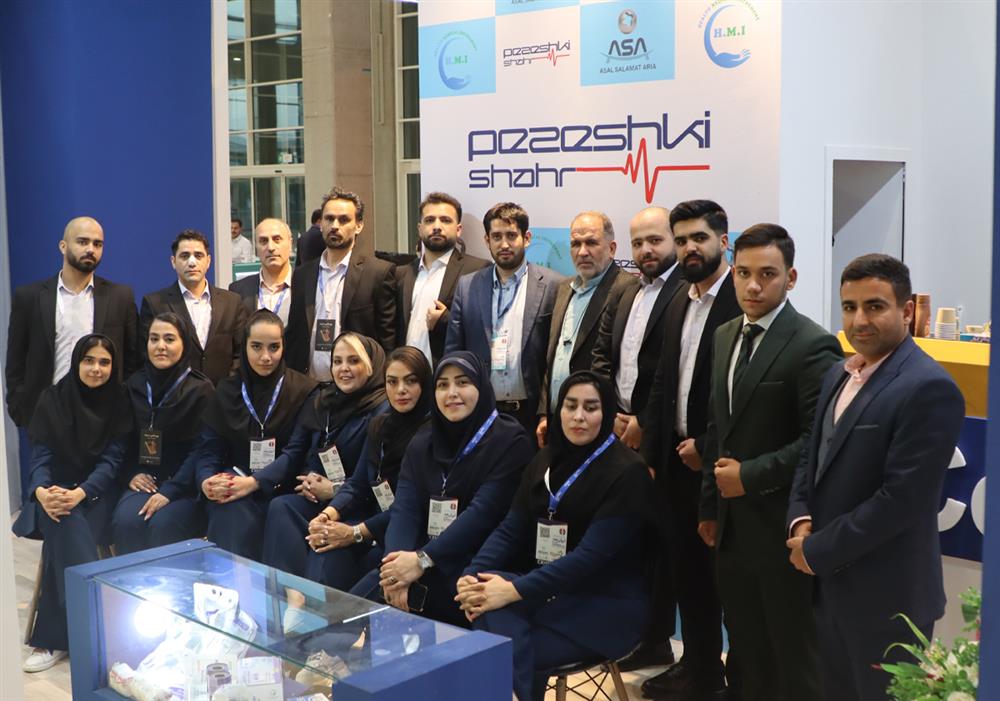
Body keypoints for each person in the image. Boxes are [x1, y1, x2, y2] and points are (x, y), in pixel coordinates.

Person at [786, 254, 965, 701]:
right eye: (849, 307)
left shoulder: (929, 386)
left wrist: (816, 550)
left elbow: (902, 501)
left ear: (907, 310)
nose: (859, 320)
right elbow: (812, 456)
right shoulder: (838, 372)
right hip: (830, 589)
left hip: (889, 601)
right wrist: (799, 519)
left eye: (875, 306)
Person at [697, 225, 842, 701]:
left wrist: (750, 476)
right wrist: (709, 506)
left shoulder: (812, 343)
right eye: (743, 273)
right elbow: (718, 427)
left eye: (767, 274)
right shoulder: (724, 335)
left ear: (790, 278)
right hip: (731, 528)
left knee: (793, 657)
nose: (753, 286)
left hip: (783, 526)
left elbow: (818, 440)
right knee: (746, 651)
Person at [457, 371, 654, 701]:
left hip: (604, 605)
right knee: (486, 599)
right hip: (546, 590)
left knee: (499, 643)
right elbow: (510, 529)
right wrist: (471, 576)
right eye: (570, 405)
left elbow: (589, 558)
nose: (578, 417)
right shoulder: (545, 459)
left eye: (591, 407)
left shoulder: (628, 472)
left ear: (607, 413)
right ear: (558, 410)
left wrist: (513, 591)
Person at [640, 200, 742, 700]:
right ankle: (699, 669)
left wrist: (706, 446)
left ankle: (737, 677)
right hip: (675, 464)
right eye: (681, 240)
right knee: (686, 574)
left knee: (725, 580)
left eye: (699, 238)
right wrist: (653, 456)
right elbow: (664, 380)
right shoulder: (681, 296)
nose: (689, 249)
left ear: (723, 240)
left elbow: (740, 396)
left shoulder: (741, 302)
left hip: (719, 465)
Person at [355, 351, 534, 626]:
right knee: (359, 603)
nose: (452, 393)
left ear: (481, 386)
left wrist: (421, 561)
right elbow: (405, 510)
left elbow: (482, 514)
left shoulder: (510, 441)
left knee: (398, 606)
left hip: (476, 563)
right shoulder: (423, 441)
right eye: (442, 385)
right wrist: (395, 573)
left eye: (463, 382)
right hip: (423, 558)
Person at [591, 206, 681, 672]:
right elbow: (602, 356)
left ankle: (658, 639)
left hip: (658, 440)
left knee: (662, 548)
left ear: (674, 241)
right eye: (638, 242)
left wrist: (643, 422)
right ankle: (637, 635)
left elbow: (675, 369)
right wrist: (611, 415)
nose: (646, 250)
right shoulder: (626, 290)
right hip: (616, 431)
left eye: (655, 240)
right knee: (630, 542)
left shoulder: (685, 293)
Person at [12, 334, 132, 672]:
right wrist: (41, 492)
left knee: (65, 528)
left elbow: (112, 462)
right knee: (63, 519)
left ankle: (53, 639)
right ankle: (104, 630)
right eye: (88, 360)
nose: (96, 368)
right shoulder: (53, 399)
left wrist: (81, 493)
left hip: (98, 495)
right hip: (53, 494)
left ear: (113, 367)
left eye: (104, 362)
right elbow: (41, 458)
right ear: (77, 362)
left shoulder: (119, 402)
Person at [5, 217, 138, 493]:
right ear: (63, 246)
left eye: (98, 244)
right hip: (48, 416)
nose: (91, 249)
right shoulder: (30, 296)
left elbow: (133, 359)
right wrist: (21, 410)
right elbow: (15, 360)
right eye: (83, 241)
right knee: (48, 497)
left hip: (103, 418)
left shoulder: (120, 297)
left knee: (96, 498)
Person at [260, 332, 389, 578]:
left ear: (371, 366)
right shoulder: (323, 400)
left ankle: (307, 596)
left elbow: (368, 481)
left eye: (354, 361)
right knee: (282, 506)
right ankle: (286, 591)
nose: (344, 369)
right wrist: (308, 479)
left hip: (358, 507)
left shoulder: (382, 410)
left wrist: (335, 490)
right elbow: (300, 450)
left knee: (325, 539)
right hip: (320, 499)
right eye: (337, 361)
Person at [304, 346, 432, 591]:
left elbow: (410, 509)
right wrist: (328, 515)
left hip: (408, 538)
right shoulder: (380, 425)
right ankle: (304, 606)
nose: (401, 390)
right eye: (392, 382)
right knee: (323, 544)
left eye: (411, 381)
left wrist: (355, 532)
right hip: (373, 522)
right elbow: (358, 483)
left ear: (425, 384)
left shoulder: (432, 434)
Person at [194, 310, 316, 559]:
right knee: (226, 508)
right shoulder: (227, 390)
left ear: (284, 346)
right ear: (244, 346)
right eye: (256, 347)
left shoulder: (304, 390)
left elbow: (295, 452)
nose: (265, 357)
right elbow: (210, 449)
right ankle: (231, 582)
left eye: (274, 347)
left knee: (279, 514)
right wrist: (206, 481)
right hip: (237, 481)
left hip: (284, 486)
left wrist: (254, 483)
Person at [444, 203, 562, 433]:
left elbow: (556, 359)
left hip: (532, 415)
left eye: (511, 235)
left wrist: (545, 412)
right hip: (480, 412)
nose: (504, 244)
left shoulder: (553, 285)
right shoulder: (467, 287)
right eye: (497, 237)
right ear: (487, 240)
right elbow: (454, 353)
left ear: (526, 238)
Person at [110, 312, 215, 554]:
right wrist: (131, 474)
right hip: (145, 480)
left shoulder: (201, 390)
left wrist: (170, 490)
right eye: (154, 339)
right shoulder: (134, 385)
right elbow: (120, 441)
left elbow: (202, 450)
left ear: (184, 343)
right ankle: (131, 580)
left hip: (186, 486)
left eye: (169, 339)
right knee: (127, 522)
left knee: (164, 525)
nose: (160, 346)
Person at [536, 211, 635, 447]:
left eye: (591, 242)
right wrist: (545, 411)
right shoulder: (563, 287)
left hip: (599, 424)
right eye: (575, 244)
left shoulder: (628, 289)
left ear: (612, 248)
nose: (582, 252)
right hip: (559, 420)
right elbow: (553, 357)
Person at [285, 187, 398, 377]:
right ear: (321, 224)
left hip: (357, 385)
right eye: (329, 219)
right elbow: (295, 335)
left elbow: (388, 339)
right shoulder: (302, 274)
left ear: (359, 225)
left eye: (344, 220)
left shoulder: (378, 273)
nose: (335, 225)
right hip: (308, 385)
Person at [139, 229, 248, 384]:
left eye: (198, 255)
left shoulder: (232, 302)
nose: (192, 262)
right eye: (184, 256)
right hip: (176, 394)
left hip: (224, 393)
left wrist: (227, 390)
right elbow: (147, 356)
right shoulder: (155, 303)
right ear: (173, 262)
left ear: (208, 261)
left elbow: (241, 353)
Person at [396, 192, 489, 367]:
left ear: (458, 229)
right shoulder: (402, 273)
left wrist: (446, 319)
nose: (437, 226)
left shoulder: (477, 270)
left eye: (445, 220)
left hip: (447, 374)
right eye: (430, 220)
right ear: (420, 228)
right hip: (405, 374)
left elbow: (482, 330)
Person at [229, 218, 294, 326]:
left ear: (290, 243)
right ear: (256, 248)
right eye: (263, 241)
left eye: (277, 239)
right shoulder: (238, 291)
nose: (271, 247)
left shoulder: (307, 286)